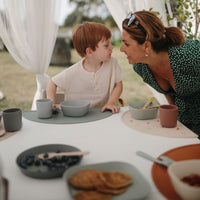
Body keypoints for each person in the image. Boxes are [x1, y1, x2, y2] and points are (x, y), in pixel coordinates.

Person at [120, 10, 200, 136]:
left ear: (146, 46)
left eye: (126, 44)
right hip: (186, 127)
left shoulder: (189, 56)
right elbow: (170, 95)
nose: (121, 49)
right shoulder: (141, 67)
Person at [47, 22, 125, 113]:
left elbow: (118, 85)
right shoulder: (73, 72)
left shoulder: (112, 63)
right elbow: (52, 83)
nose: (112, 47)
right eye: (106, 45)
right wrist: (51, 102)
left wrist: (111, 103)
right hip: (79, 118)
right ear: (90, 52)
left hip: (105, 115)